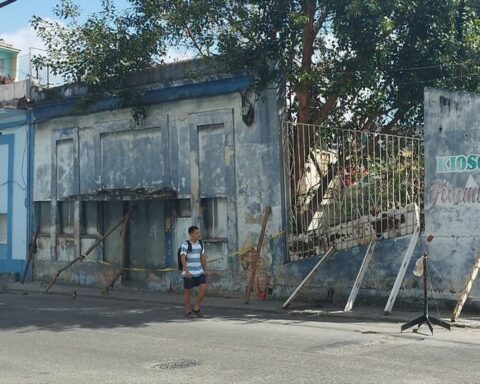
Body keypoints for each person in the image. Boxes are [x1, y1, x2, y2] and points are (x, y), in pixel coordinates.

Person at [180, 225, 208, 317]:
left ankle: (196, 307)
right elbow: (183, 259)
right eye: (196, 233)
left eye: (199, 233)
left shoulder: (200, 243)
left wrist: (206, 270)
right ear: (191, 234)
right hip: (189, 273)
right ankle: (187, 310)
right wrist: (187, 271)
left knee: (204, 287)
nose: (198, 235)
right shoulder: (185, 245)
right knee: (188, 292)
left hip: (199, 271)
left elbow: (202, 257)